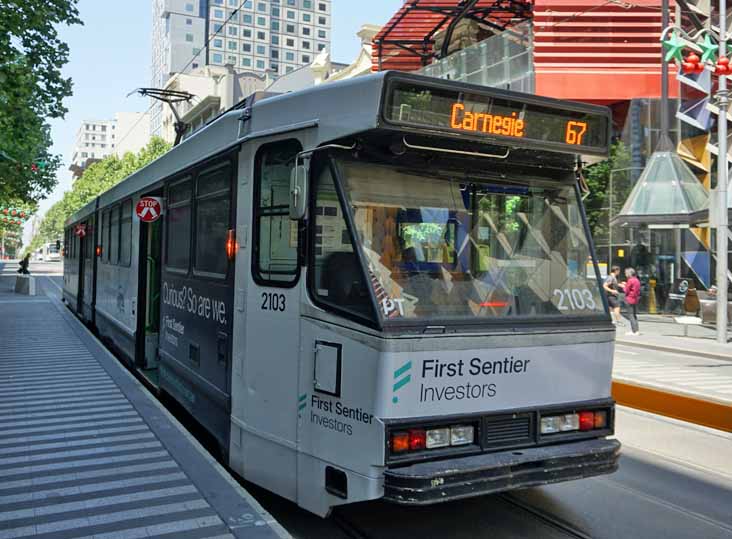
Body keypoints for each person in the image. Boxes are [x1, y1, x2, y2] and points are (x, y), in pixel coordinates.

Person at [620, 267, 641, 335]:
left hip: (629, 299)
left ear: (629, 273)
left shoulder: (630, 280)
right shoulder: (637, 280)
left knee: (630, 315)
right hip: (635, 299)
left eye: (626, 273)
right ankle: (636, 330)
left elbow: (626, 290)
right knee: (634, 315)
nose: (625, 274)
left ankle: (634, 331)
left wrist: (623, 286)